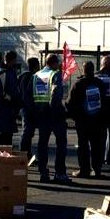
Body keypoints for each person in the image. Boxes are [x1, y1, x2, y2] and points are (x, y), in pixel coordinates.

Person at [31, 54, 71, 184]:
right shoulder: (55, 74)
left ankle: (43, 172)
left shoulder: (36, 75)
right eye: (58, 63)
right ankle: (60, 173)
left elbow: (29, 95)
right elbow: (55, 94)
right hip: (54, 113)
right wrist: (58, 111)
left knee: (43, 143)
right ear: (54, 63)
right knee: (61, 143)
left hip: (40, 113)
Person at [66, 61, 106, 178]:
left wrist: (75, 116)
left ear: (83, 70)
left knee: (83, 146)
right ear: (93, 70)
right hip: (97, 120)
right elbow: (105, 101)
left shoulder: (78, 84)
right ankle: (97, 170)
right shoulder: (99, 83)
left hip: (83, 121)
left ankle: (84, 170)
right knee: (96, 146)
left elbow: (69, 103)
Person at [18, 57, 40, 159]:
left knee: (28, 132)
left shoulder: (22, 76)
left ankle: (26, 154)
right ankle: (24, 155)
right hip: (30, 108)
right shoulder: (33, 77)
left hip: (24, 107)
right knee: (27, 132)